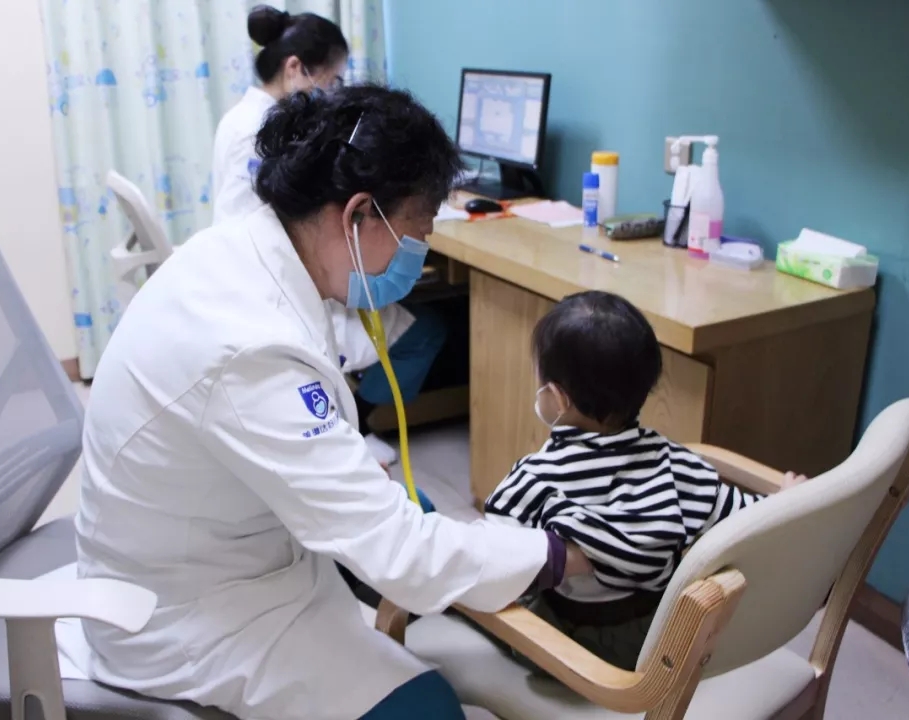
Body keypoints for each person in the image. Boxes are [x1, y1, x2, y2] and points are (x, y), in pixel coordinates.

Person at [74, 85, 593, 720]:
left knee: (416, 509)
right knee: (429, 710)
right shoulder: (249, 345)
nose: (418, 254)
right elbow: (401, 552)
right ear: (358, 214)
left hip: (220, 534)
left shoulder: (247, 251)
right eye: (417, 234)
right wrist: (559, 556)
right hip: (186, 613)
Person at [485, 290, 808, 671]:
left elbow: (492, 556)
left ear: (555, 397)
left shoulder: (535, 478)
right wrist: (787, 499)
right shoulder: (679, 467)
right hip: (655, 638)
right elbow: (752, 520)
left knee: (486, 597)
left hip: (573, 647)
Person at [211, 4, 441, 466]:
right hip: (281, 284)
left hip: (277, 274)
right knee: (422, 327)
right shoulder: (254, 131)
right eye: (332, 81)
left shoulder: (244, 117)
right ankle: (356, 420)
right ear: (295, 68)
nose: (332, 94)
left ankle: (352, 421)